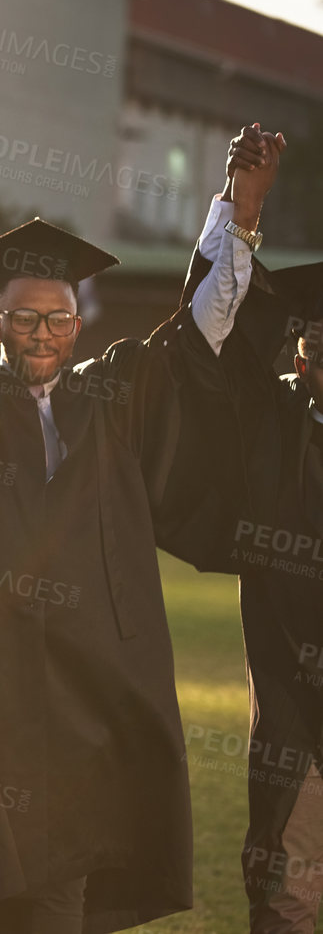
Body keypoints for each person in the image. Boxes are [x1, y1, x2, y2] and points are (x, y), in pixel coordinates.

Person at [0, 120, 271, 932]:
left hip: (87, 685)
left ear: (77, 325)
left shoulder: (110, 400)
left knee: (60, 878)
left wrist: (238, 210)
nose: (40, 333)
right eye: (23, 319)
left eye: (55, 319)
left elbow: (198, 325)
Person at [174, 125, 323, 933]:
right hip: (300, 708)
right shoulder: (271, 422)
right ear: (299, 355)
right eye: (316, 346)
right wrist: (244, 203)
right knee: (291, 891)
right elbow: (204, 340)